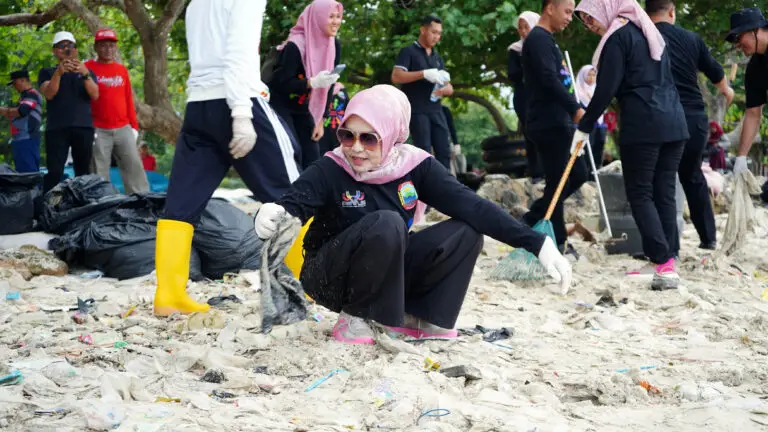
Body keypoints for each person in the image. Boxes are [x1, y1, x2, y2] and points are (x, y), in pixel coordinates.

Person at [253, 85, 571, 345]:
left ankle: (421, 317)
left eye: (369, 138)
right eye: (347, 135)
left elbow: (473, 206)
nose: (356, 148)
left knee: (466, 230)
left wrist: (536, 243)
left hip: (389, 270)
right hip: (330, 275)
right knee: (388, 221)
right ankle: (356, 318)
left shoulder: (414, 166)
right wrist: (270, 213)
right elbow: (292, 205)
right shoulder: (330, 167)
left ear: (392, 137)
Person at [153, 0, 301, 317]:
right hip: (239, 99)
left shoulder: (196, 4)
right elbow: (238, 54)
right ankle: (314, 283)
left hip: (199, 107)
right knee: (296, 191)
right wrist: (242, 115)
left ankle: (169, 294)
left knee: (181, 203)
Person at [574, 0, 689, 290]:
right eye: (584, 22)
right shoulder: (648, 31)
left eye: (590, 17)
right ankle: (668, 259)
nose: (589, 25)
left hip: (644, 124)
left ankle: (663, 262)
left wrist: (585, 126)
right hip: (674, 121)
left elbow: (606, 88)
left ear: (606, 8)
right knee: (664, 191)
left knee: (640, 193)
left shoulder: (618, 37)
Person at [646, 0, 734, 251]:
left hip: (659, 116)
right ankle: (708, 238)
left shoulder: (640, 36)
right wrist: (727, 91)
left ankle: (665, 247)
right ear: (672, 12)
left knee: (659, 181)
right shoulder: (691, 39)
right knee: (692, 175)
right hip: (693, 118)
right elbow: (717, 75)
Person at [521, 0, 588, 254]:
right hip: (548, 122)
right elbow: (549, 80)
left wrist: (577, 106)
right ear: (550, 7)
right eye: (568, 11)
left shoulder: (547, 39)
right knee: (558, 181)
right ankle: (558, 241)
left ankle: (534, 215)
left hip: (560, 120)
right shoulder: (537, 39)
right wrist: (575, 108)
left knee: (578, 174)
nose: (570, 18)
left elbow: (562, 80)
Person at [269, 0, 343, 169]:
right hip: (282, 107)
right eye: (331, 16)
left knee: (312, 158)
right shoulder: (295, 46)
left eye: (338, 17)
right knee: (290, 153)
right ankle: (284, 194)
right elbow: (279, 83)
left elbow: (329, 85)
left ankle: (309, 195)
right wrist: (311, 82)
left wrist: (321, 119)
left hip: (307, 109)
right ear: (318, 17)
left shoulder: (333, 45)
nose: (336, 21)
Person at [84, 29, 148, 194]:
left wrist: (133, 126)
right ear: (96, 47)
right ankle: (101, 205)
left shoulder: (121, 70)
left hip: (123, 127)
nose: (108, 49)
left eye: (112, 46)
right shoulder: (87, 68)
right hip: (98, 128)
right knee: (99, 172)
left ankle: (142, 203)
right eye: (104, 46)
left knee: (134, 167)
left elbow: (128, 99)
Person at [38, 31, 99, 192]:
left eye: (70, 45)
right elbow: (49, 94)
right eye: (61, 46)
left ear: (76, 49)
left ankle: (82, 207)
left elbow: (95, 94)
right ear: (54, 51)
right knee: (55, 171)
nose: (66, 49)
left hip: (83, 127)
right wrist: (59, 72)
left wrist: (84, 73)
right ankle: (47, 207)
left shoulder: (87, 71)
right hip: (57, 128)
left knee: (83, 172)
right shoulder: (47, 72)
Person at [392, 15, 454, 169]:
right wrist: (423, 74)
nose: (436, 37)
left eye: (439, 33)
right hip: (417, 110)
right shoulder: (408, 51)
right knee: (423, 151)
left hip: (436, 110)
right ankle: (425, 189)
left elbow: (450, 88)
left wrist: (444, 89)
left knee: (444, 150)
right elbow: (396, 76)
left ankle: (446, 189)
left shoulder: (437, 57)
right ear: (423, 30)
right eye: (433, 32)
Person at [724, 8, 768, 175]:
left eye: (738, 37)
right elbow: (753, 113)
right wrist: (741, 157)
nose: (737, 44)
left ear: (754, 30)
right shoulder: (755, 69)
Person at [508, 11, 544, 180]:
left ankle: (548, 170)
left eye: (526, 27)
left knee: (546, 130)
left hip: (541, 95)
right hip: (524, 97)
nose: (523, 31)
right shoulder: (515, 50)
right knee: (530, 132)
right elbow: (512, 74)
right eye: (520, 28)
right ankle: (536, 171)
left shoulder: (544, 45)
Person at [0, 70, 43, 173]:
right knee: (21, 173)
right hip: (19, 139)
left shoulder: (32, 94)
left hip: (27, 138)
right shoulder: (23, 97)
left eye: (15, 83)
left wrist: (7, 111)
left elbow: (22, 111)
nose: (14, 86)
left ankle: (34, 189)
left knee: (29, 173)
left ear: (23, 80)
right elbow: (10, 113)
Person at [575, 65, 607, 171]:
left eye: (594, 75)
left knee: (598, 148)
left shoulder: (597, 90)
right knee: (587, 149)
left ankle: (595, 173)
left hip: (599, 124)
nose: (592, 77)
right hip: (586, 125)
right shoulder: (577, 93)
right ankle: (586, 173)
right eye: (589, 74)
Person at [318, 82, 349, 154]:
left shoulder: (342, 91)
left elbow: (347, 110)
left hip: (337, 132)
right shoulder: (320, 89)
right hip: (322, 130)